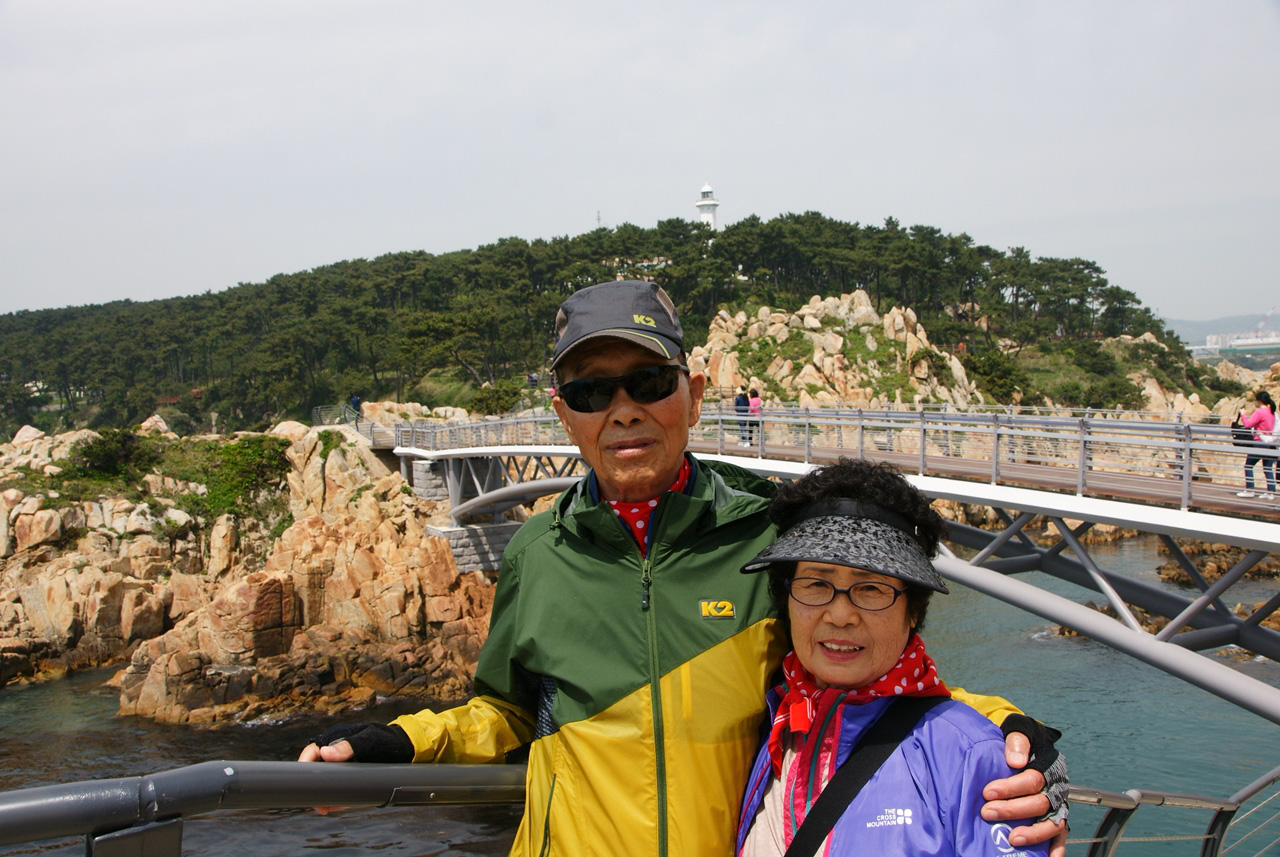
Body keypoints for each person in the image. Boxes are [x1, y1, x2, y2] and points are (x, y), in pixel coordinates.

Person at [298, 281, 1067, 857]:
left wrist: (1006, 729)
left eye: (649, 382)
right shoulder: (536, 552)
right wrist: (395, 743)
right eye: (592, 391)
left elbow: (865, 662)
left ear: (693, 396)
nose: (623, 409)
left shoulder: (769, 530)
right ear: (564, 416)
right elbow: (503, 712)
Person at [735, 459, 1056, 856]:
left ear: (913, 611)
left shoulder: (973, 756)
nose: (840, 615)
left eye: (871, 588)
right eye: (816, 583)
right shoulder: (769, 726)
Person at [1237, 390, 1277, 499]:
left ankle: (1250, 490)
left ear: (1259, 401)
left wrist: (1243, 415)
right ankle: (1270, 493)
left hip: (1259, 443)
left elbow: (1248, 424)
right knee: (1268, 468)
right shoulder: (1272, 412)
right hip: (1269, 443)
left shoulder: (1259, 412)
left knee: (1248, 466)